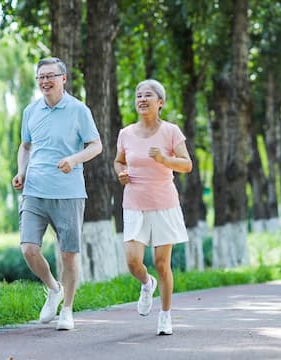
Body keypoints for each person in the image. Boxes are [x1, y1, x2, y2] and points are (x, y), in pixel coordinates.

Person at [12, 57, 102, 331]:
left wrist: (74, 160)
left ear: (63, 78)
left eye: (50, 76)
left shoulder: (78, 110)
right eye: (40, 77)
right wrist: (21, 172)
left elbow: (96, 145)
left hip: (68, 192)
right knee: (28, 248)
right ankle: (53, 288)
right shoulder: (31, 111)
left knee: (68, 254)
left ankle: (67, 309)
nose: (44, 81)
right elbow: (25, 146)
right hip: (34, 190)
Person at [114, 79, 192, 335]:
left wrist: (164, 159)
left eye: (148, 95)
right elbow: (118, 162)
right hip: (134, 204)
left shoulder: (171, 131)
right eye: (138, 95)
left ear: (160, 102)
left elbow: (186, 164)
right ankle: (147, 284)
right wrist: (122, 173)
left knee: (161, 263)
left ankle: (165, 315)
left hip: (163, 204)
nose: (142, 99)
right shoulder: (126, 133)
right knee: (133, 262)